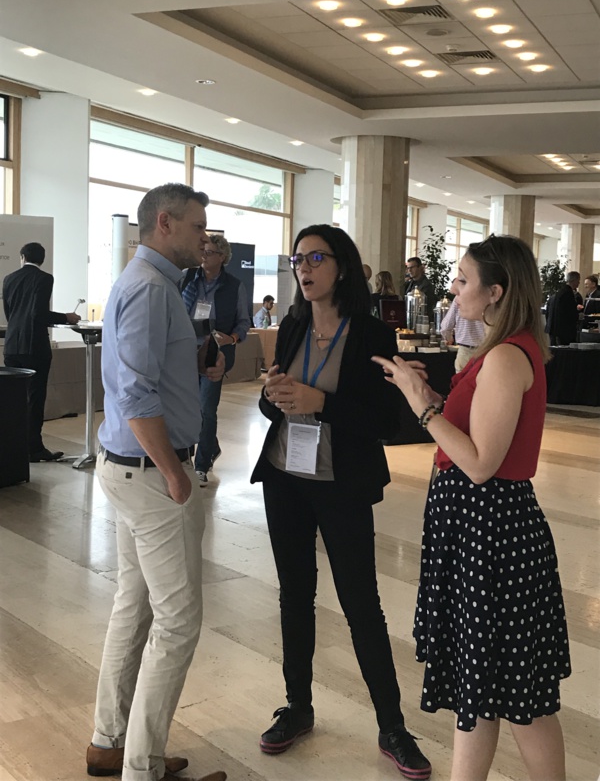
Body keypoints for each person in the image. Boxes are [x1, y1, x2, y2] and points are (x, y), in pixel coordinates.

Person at [373, 234, 571, 781]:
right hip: (478, 532)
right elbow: (476, 432)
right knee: (478, 687)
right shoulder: (501, 350)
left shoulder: (507, 357)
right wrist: (430, 396)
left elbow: (481, 463)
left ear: (496, 293)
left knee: (523, 699)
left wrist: (420, 408)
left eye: (463, 280)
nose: (454, 288)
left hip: (493, 535)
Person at [250, 224, 432, 781]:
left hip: (341, 485)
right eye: (297, 258)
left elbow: (381, 420)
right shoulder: (294, 327)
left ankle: (392, 726)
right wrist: (272, 397)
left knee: (361, 603)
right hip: (286, 477)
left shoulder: (373, 334)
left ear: (342, 267)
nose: (303, 268)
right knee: (294, 597)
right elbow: (276, 409)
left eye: (315, 258)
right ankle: (298, 707)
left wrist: (319, 401)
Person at [87, 183, 226, 781]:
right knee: (177, 620)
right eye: (198, 226)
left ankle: (109, 742)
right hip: (150, 471)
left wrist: (191, 361)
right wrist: (174, 473)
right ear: (165, 224)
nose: (206, 238)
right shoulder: (149, 289)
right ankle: (140, 767)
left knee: (136, 607)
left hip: (126, 467)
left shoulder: (152, 284)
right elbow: (135, 392)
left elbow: (145, 373)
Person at [181, 233, 250, 486]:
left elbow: (244, 322)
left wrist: (230, 339)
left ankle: (201, 465)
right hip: (185, 351)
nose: (204, 256)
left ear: (222, 257)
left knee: (206, 409)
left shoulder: (234, 286)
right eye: (203, 251)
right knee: (188, 407)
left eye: (209, 252)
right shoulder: (188, 278)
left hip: (214, 353)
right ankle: (205, 449)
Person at [2, 242, 81, 462]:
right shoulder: (45, 278)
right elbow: (38, 314)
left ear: (22, 256)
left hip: (12, 346)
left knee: (14, 399)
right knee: (35, 399)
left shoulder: (9, 279)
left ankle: (14, 447)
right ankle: (34, 449)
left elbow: (10, 313)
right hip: (34, 347)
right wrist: (66, 317)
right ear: (42, 260)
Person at [440, 297, 485, 372]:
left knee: (461, 382)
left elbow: (445, 326)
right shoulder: (488, 296)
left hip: (464, 352)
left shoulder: (459, 297)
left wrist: (449, 338)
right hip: (485, 351)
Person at [545, 270, 580, 345]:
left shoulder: (559, 292)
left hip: (553, 329)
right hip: (563, 331)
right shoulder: (568, 294)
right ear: (574, 280)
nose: (579, 283)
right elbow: (570, 313)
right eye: (578, 280)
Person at [405, 257, 437, 322]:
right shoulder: (409, 284)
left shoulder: (427, 285)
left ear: (419, 267)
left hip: (422, 321)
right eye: (408, 268)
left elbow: (426, 306)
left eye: (412, 267)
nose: (409, 270)